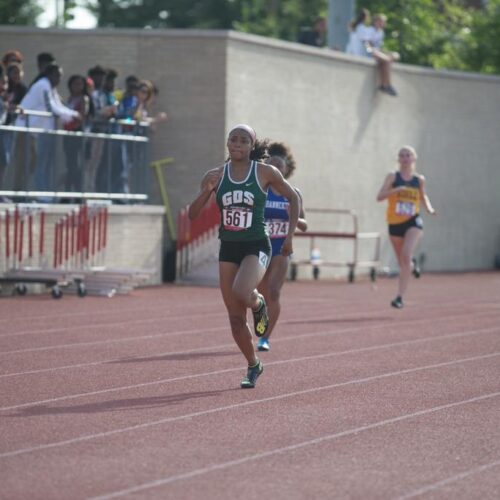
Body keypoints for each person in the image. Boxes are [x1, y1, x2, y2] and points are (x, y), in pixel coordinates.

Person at [188, 124, 300, 388]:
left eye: (243, 140)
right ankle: (253, 364)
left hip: (257, 244)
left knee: (242, 291)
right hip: (229, 247)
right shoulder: (215, 175)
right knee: (235, 318)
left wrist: (290, 236)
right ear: (228, 144)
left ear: (251, 146)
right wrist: (207, 191)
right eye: (233, 140)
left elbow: (293, 198)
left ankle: (259, 303)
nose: (237, 144)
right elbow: (193, 215)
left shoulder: (265, 172)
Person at [256, 142, 308, 352]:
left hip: (281, 246)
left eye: (280, 165)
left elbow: (304, 224)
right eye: (272, 164)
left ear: (287, 170)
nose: (276, 168)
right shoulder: (260, 189)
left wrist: (293, 220)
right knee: (260, 295)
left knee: (274, 293)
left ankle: (265, 338)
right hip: (259, 245)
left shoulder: (292, 194)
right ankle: (261, 322)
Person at [376, 145, 436, 309]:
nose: (405, 158)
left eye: (408, 155)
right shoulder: (392, 177)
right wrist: (395, 190)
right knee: (403, 262)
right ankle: (412, 265)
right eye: (402, 155)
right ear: (398, 159)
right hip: (394, 223)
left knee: (406, 254)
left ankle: (399, 297)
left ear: (413, 158)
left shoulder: (419, 180)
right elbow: (379, 197)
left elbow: (423, 197)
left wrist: (429, 209)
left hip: (413, 221)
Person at [13, 63, 80, 192]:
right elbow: (52, 108)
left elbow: (59, 105)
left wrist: (73, 114)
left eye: (61, 76)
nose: (59, 79)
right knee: (24, 163)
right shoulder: (43, 85)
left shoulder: (51, 88)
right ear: (49, 75)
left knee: (32, 163)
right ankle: (21, 193)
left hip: (32, 132)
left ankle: (22, 192)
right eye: (56, 76)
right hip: (24, 129)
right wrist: (74, 115)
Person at [365, 14, 400, 96]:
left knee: (394, 55)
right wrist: (376, 53)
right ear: (376, 22)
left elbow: (379, 47)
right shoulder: (369, 30)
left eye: (384, 22)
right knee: (387, 60)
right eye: (381, 22)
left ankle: (383, 85)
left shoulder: (381, 33)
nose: (383, 24)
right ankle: (387, 85)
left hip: (377, 52)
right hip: (369, 53)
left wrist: (385, 53)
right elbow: (368, 46)